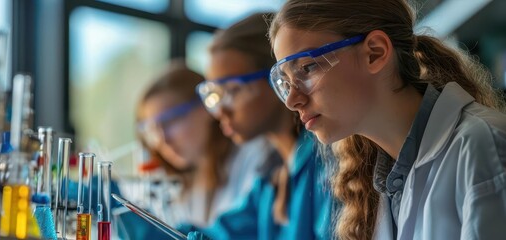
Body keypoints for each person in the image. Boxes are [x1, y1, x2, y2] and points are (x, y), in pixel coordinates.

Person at [268, 0, 506, 239]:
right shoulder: (381, 184)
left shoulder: (484, 147)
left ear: (375, 53)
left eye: (307, 69)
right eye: (285, 83)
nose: (292, 101)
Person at [190, 12, 335, 239]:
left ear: (278, 79)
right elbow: (217, 234)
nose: (220, 112)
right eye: (214, 96)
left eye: (233, 91)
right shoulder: (271, 180)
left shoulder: (329, 166)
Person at [135, 62, 270, 228]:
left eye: (170, 121)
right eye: (152, 130)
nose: (163, 140)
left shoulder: (256, 156)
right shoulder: (189, 187)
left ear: (205, 107)